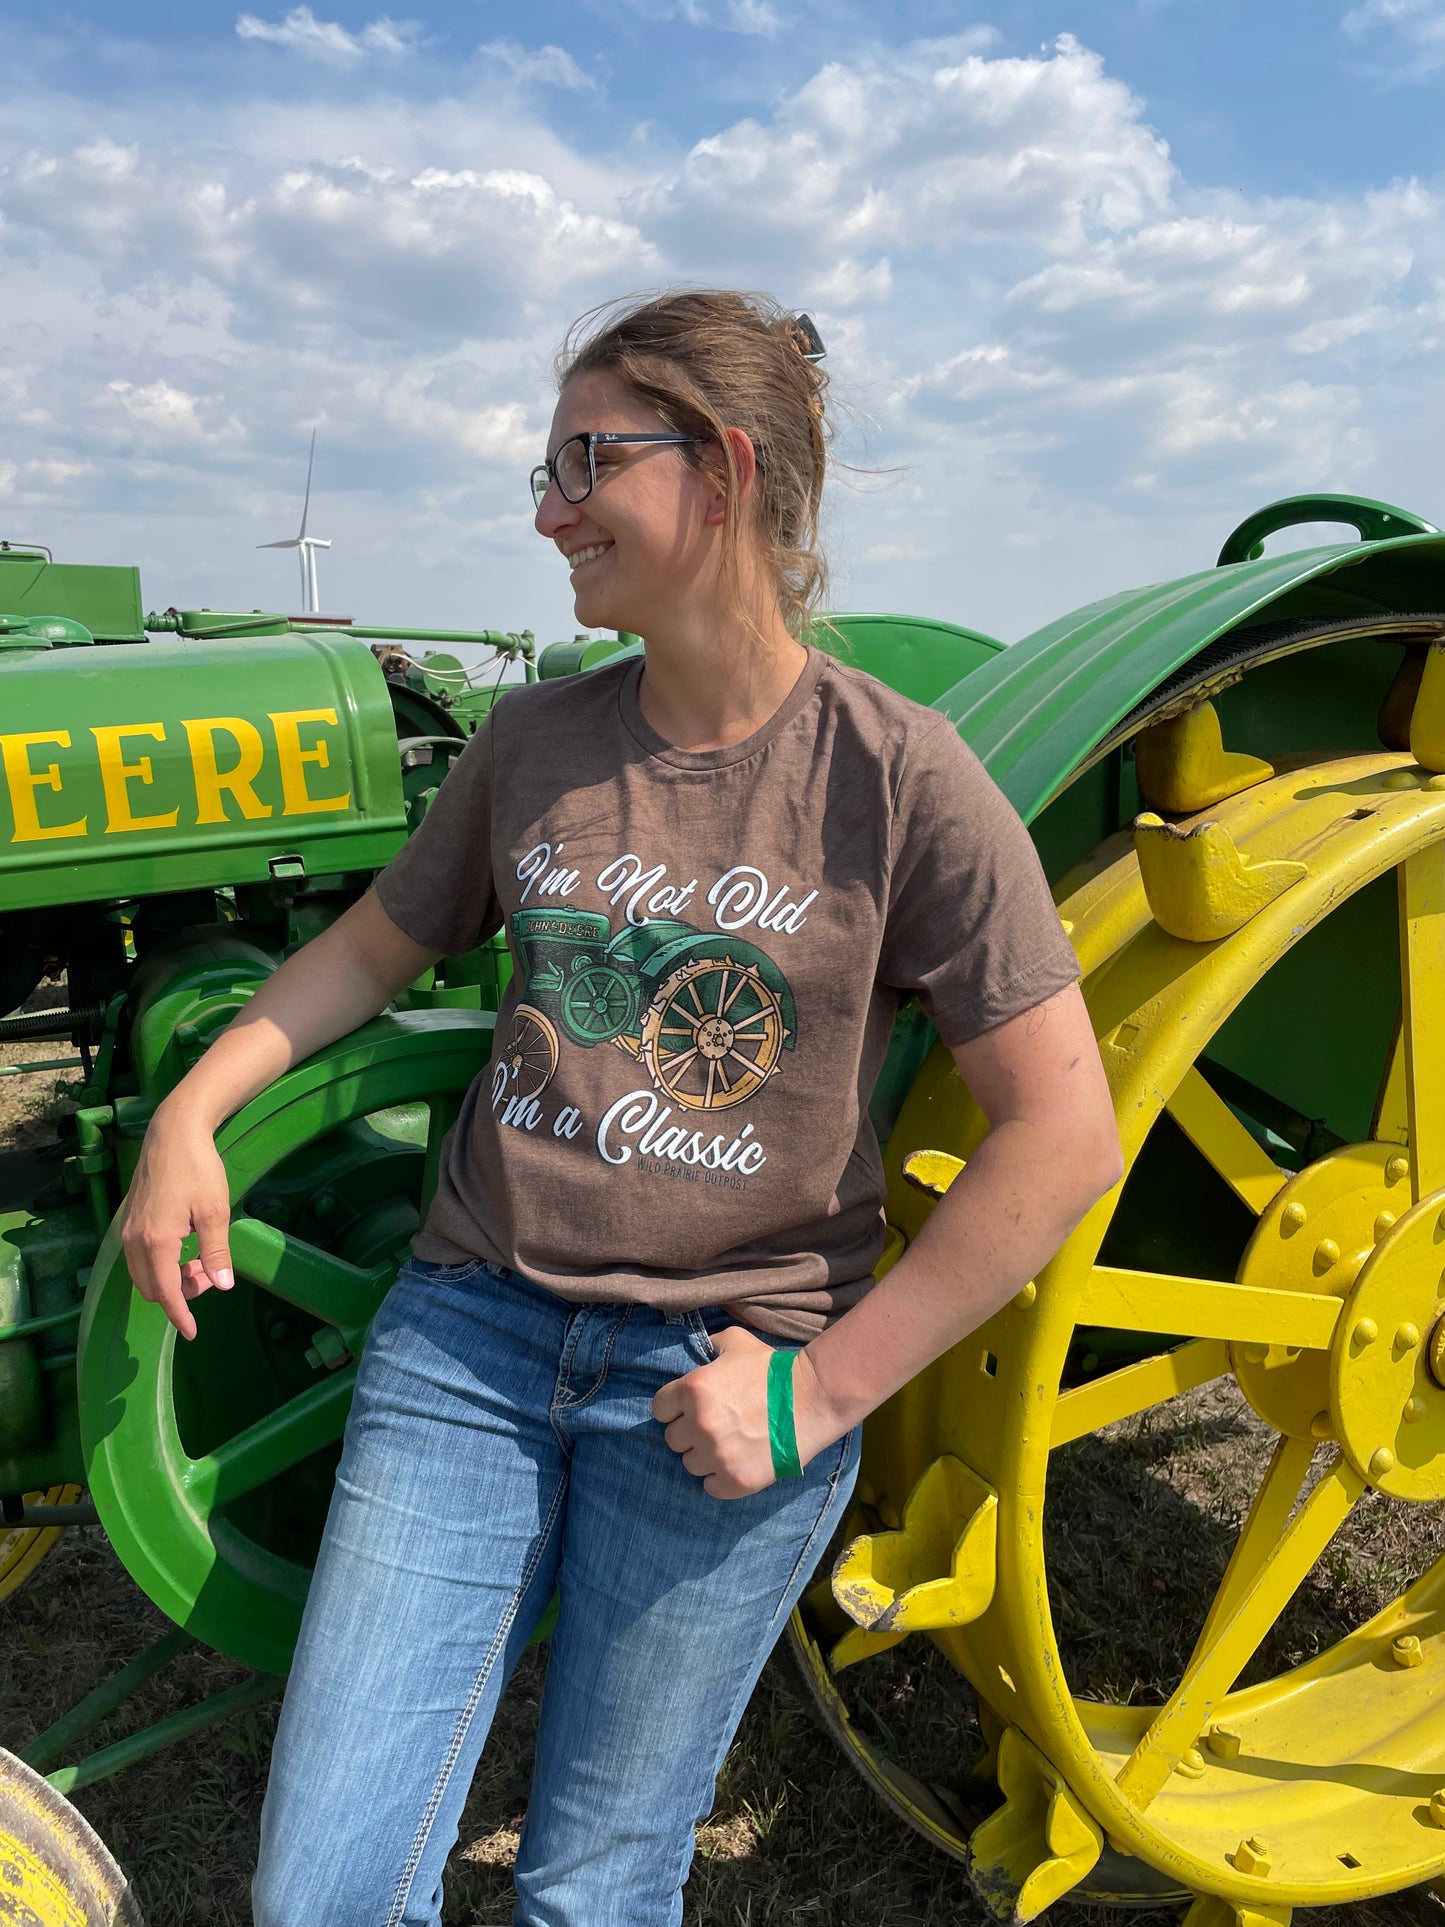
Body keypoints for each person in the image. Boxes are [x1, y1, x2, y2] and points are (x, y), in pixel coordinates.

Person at [119, 288, 1122, 1927]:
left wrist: (820, 1396)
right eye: (546, 462)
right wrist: (191, 1111)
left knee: (592, 1890)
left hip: (725, 1388)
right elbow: (375, 947)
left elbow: (1061, 1136)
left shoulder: (897, 775)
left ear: (721, 472)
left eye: (588, 458)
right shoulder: (533, 741)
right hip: (469, 1344)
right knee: (319, 1895)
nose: (546, 507)